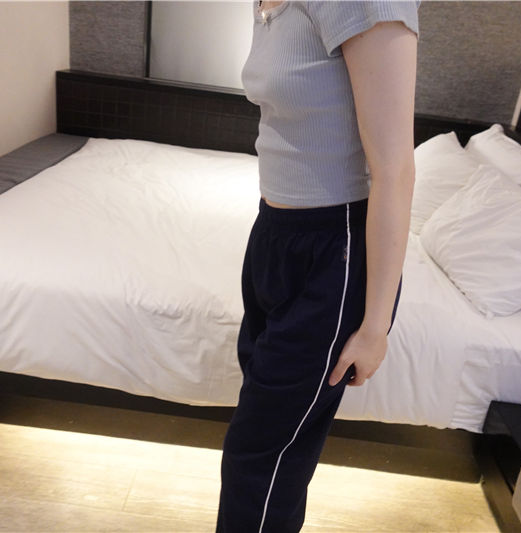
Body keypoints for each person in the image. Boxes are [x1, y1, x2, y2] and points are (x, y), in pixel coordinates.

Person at [216, 1, 419, 531]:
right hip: (272, 235)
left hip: (334, 253)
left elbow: (395, 170)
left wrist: (375, 327)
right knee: (275, 448)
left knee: (257, 456)